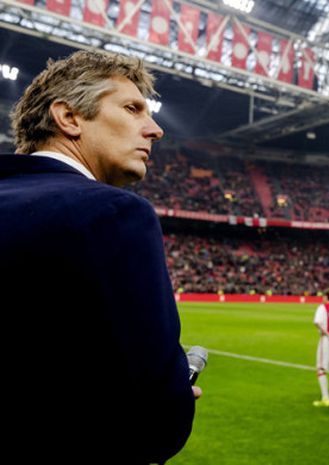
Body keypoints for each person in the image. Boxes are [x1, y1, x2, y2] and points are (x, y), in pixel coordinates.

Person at [1, 50, 197, 464]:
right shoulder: (112, 213)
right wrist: (175, 394)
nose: (156, 129)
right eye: (132, 108)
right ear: (69, 118)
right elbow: (158, 421)